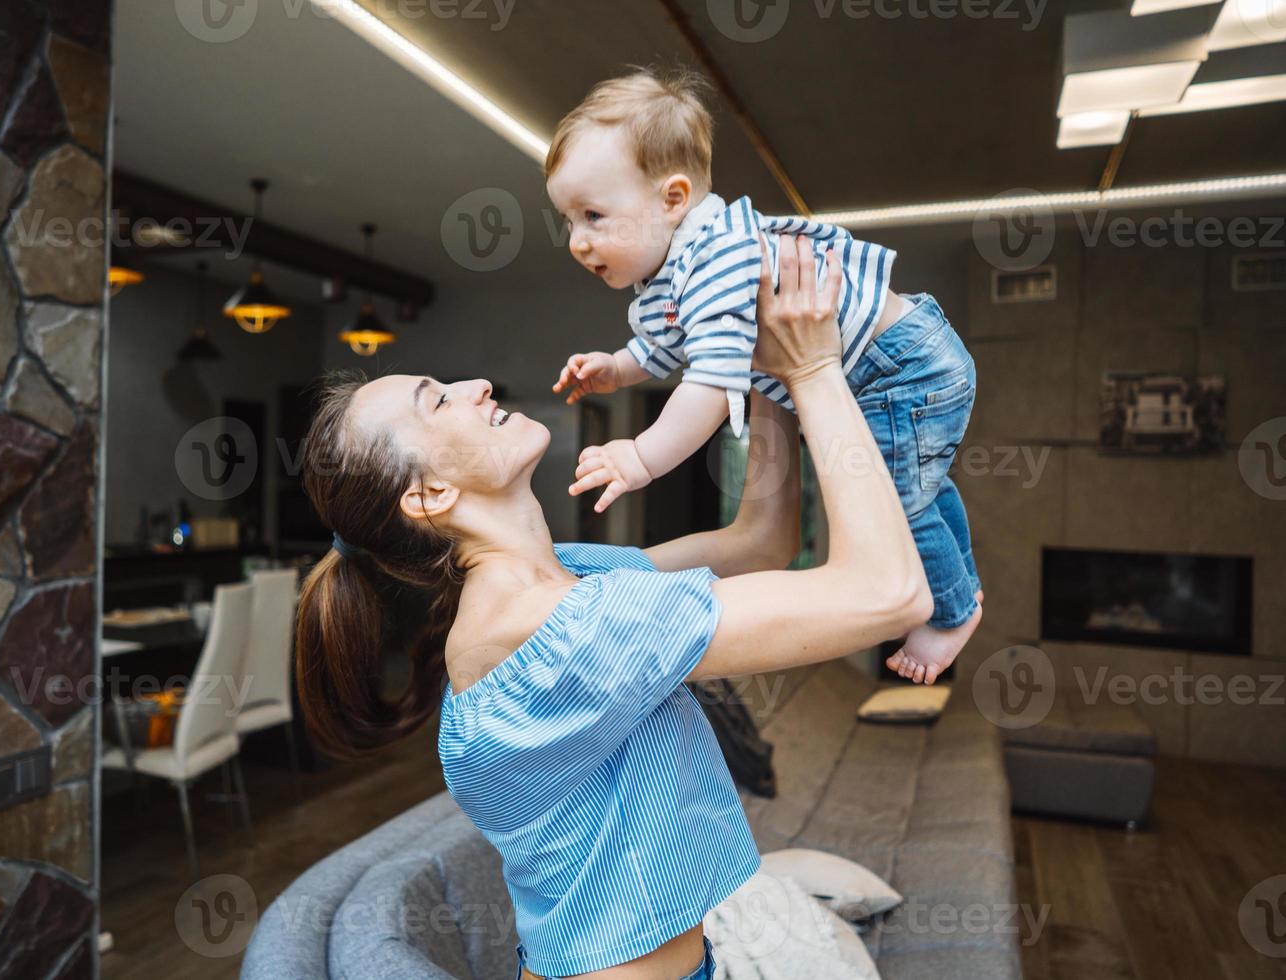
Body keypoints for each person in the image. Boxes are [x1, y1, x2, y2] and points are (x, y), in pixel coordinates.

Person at [294, 236, 931, 980]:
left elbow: (761, 540)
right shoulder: (557, 632)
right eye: (437, 400)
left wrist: (758, 374)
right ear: (430, 496)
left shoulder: (570, 580)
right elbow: (888, 593)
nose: (476, 386)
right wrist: (815, 368)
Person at [545, 69, 982, 683]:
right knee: (922, 487)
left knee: (899, 497)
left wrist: (641, 458)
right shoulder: (668, 276)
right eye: (568, 220)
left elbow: (712, 384)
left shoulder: (718, 259)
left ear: (672, 199)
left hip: (900, 365)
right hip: (901, 359)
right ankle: (964, 586)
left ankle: (950, 612)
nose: (577, 240)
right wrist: (617, 370)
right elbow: (663, 348)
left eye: (592, 215)